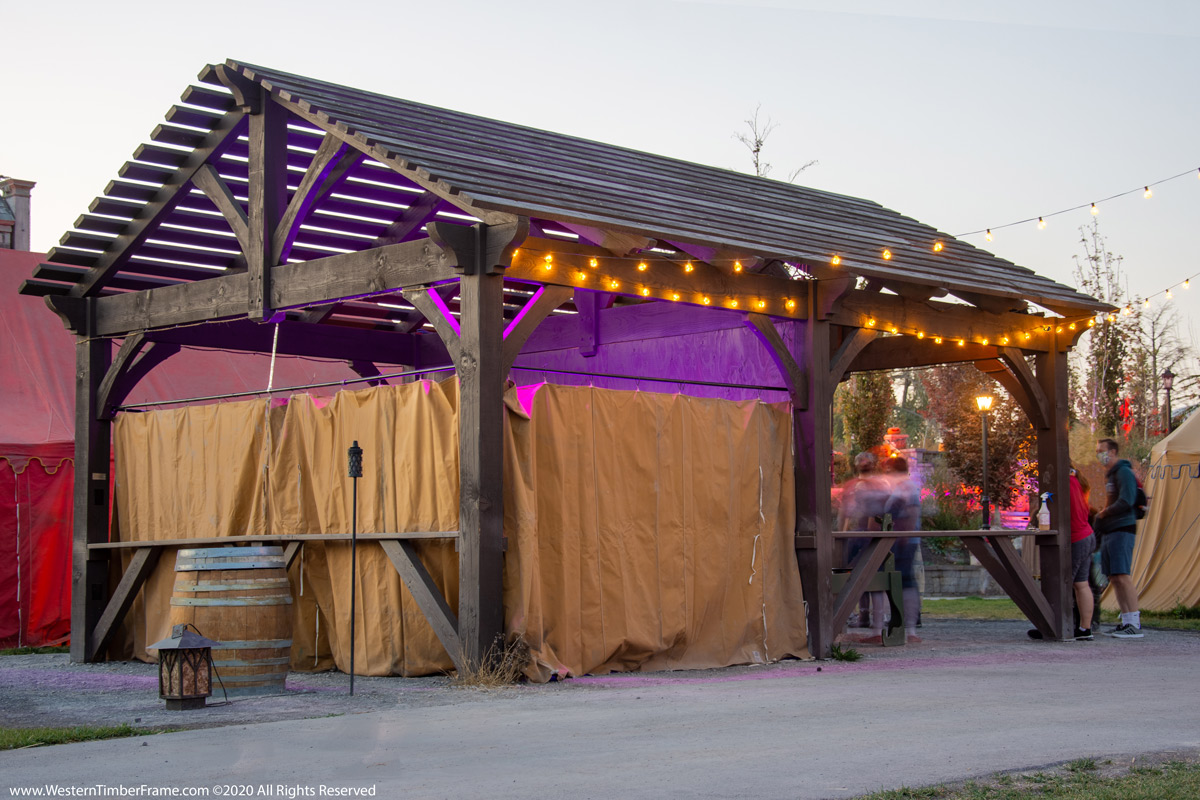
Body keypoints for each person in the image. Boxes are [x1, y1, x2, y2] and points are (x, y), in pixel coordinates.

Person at [837, 452, 889, 642]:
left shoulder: (861, 486)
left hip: (864, 534)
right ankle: (868, 617)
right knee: (863, 575)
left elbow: (847, 512)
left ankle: (873, 621)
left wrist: (842, 531)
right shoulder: (876, 485)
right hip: (861, 534)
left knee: (864, 575)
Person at [1094, 437, 1143, 639]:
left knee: (1122, 575)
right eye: (1097, 451)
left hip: (1123, 528)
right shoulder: (1111, 475)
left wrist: (1104, 513)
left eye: (1101, 450)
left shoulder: (1123, 472)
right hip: (1111, 529)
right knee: (1114, 577)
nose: (1099, 454)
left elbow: (1127, 499)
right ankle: (1126, 620)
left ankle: (1135, 623)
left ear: (1113, 452)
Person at [882, 456, 921, 644]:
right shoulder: (900, 487)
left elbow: (912, 510)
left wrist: (905, 534)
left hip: (904, 541)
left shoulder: (906, 487)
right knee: (900, 580)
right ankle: (903, 624)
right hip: (899, 539)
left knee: (904, 580)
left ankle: (910, 627)